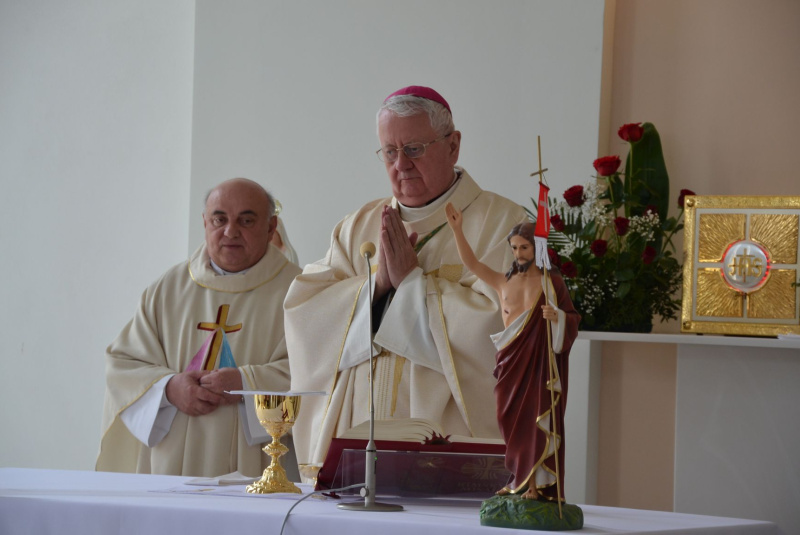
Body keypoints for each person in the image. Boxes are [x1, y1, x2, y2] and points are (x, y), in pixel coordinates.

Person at [284, 85, 528, 469]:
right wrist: (378, 285)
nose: (401, 164)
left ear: (453, 146)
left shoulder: (503, 225)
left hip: (447, 430)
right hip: (358, 431)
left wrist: (413, 284)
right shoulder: (357, 226)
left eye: (414, 149)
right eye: (389, 152)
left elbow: (507, 325)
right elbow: (306, 312)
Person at [96, 178, 302, 478]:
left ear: (271, 227)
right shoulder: (168, 289)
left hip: (260, 469)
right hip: (171, 466)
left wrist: (246, 383)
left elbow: (319, 374)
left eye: (246, 220)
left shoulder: (300, 293)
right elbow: (124, 364)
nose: (230, 231)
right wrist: (169, 388)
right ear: (205, 223)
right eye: (219, 219)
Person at [446, 205, 580, 501]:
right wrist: (457, 230)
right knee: (509, 422)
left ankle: (535, 486)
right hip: (510, 364)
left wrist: (557, 316)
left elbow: (572, 319)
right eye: (514, 248)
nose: (518, 253)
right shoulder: (503, 282)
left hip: (539, 365)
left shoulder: (551, 283)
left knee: (535, 420)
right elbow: (472, 264)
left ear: (536, 248)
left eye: (524, 247)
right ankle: (519, 478)